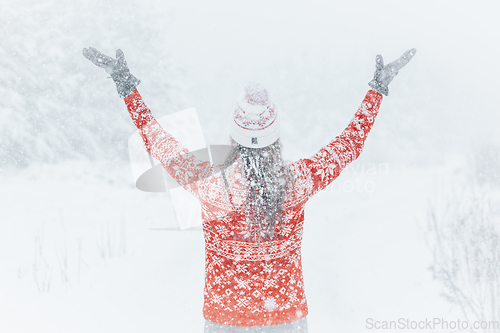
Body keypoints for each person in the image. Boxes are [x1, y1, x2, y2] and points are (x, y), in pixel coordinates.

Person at [83, 47, 416, 332]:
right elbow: (348, 145)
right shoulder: (296, 183)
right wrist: (376, 91)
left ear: (233, 137)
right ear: (275, 138)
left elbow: (157, 140)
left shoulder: (209, 183)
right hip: (286, 318)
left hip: (224, 320)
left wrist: (128, 88)